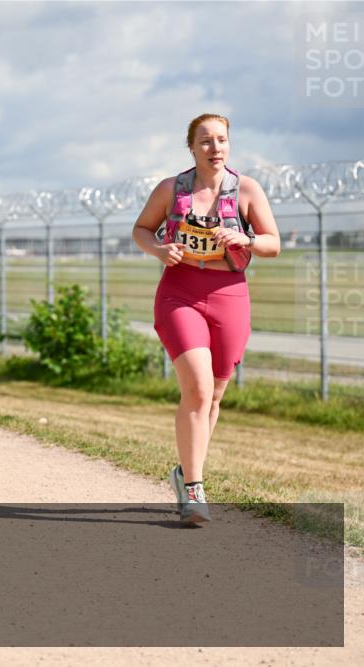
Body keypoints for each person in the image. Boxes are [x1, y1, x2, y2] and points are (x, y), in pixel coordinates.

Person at [132, 114, 280, 524]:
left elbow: (273, 243)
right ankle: (194, 488)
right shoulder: (171, 189)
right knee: (196, 390)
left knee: (214, 396)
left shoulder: (246, 189)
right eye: (205, 141)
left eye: (221, 140)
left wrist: (245, 239)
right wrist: (160, 250)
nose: (215, 148)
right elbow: (142, 230)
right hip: (179, 293)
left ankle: (183, 472)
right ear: (192, 147)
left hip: (230, 296)